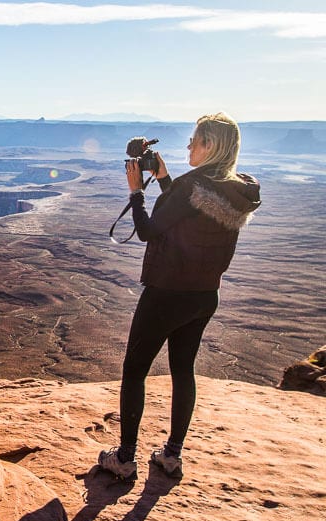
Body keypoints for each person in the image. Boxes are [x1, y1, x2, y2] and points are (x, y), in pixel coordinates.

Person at [98, 112, 261, 480]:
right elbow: (189, 209)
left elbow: (148, 231)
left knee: (134, 370)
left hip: (167, 294)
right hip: (203, 296)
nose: (189, 146)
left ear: (211, 146)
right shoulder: (235, 189)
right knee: (183, 370)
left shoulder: (193, 187)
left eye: (195, 140)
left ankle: (124, 459)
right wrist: (164, 177)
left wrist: (136, 189)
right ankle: (171, 456)